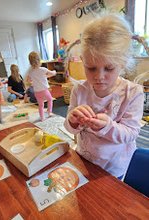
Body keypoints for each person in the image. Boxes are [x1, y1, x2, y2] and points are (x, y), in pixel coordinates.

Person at [64, 13, 144, 179]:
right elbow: (69, 127)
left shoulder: (133, 93)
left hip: (115, 167)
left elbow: (131, 133)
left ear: (122, 63)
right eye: (91, 68)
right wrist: (72, 120)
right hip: (84, 159)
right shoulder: (79, 90)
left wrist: (108, 126)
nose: (99, 76)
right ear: (83, 62)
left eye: (108, 68)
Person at [27, 51, 56, 121]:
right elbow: (52, 73)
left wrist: (34, 82)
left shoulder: (30, 72)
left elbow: (29, 81)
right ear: (39, 60)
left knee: (41, 105)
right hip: (44, 91)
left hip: (36, 92)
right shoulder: (43, 69)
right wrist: (55, 71)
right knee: (49, 100)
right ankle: (49, 112)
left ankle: (42, 118)